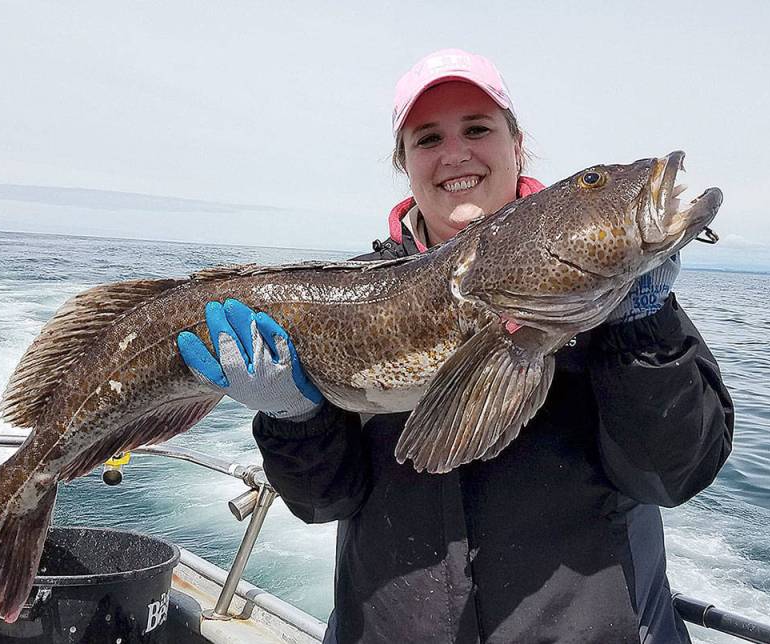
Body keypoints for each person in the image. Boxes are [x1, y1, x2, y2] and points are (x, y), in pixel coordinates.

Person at [177, 49, 734, 644]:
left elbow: (672, 477)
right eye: (428, 138)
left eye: (477, 129)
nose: (455, 154)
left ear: (516, 144)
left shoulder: (620, 304)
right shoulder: (353, 293)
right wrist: (294, 418)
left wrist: (640, 329)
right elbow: (322, 502)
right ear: (406, 163)